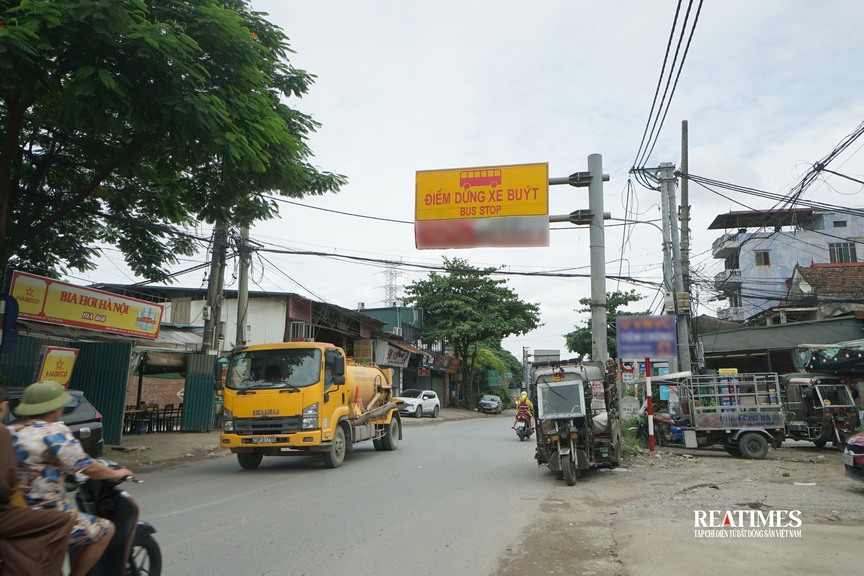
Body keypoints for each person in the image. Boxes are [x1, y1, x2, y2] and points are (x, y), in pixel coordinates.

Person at [10, 381, 135, 576]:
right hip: (49, 515)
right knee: (105, 530)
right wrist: (117, 473)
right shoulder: (54, 432)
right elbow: (87, 466)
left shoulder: (12, 432)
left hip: (15, 514)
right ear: (53, 409)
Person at [0, 385, 74, 576]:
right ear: (4, 406)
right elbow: (4, 485)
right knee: (62, 521)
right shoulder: (55, 431)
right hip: (9, 512)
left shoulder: (13, 430)